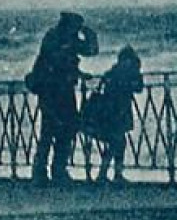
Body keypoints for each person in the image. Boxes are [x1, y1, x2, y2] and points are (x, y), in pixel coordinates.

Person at [25, 11, 99, 183]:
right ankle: (44, 171)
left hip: (62, 91)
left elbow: (89, 51)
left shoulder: (63, 37)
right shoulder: (56, 38)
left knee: (64, 129)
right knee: (52, 129)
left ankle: (54, 170)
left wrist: (90, 36)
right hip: (52, 91)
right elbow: (59, 62)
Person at [88, 45, 145, 184]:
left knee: (116, 142)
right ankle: (109, 173)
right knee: (117, 142)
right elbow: (138, 88)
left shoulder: (112, 72)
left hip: (109, 112)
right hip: (118, 112)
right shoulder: (126, 74)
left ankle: (108, 173)